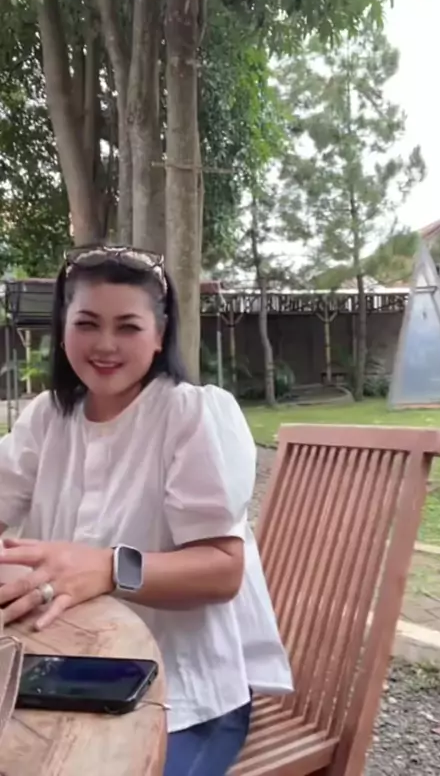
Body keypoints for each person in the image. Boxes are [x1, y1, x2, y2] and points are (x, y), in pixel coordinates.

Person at [0, 245, 293, 775]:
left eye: (128, 327)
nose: (105, 344)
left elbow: (223, 571)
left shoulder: (192, 415)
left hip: (185, 694)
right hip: (63, 670)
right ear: (62, 330)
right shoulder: (47, 417)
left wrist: (111, 567)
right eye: (87, 323)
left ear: (159, 337)